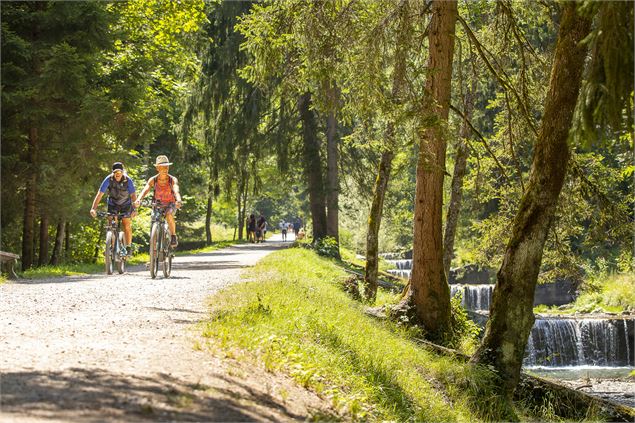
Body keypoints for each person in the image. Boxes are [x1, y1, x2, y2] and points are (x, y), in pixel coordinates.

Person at [90, 162, 137, 257]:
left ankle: (128, 247)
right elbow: (100, 194)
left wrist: (135, 209)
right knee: (110, 222)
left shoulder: (128, 180)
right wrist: (93, 209)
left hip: (126, 204)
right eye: (116, 172)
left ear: (123, 172)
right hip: (113, 203)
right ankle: (110, 246)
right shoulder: (108, 179)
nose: (117, 174)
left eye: (119, 172)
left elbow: (133, 195)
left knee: (126, 223)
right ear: (113, 173)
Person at [134, 155, 182, 247]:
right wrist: (138, 200)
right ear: (157, 168)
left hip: (170, 204)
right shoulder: (153, 180)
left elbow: (176, 190)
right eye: (163, 167)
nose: (165, 169)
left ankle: (173, 235)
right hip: (157, 205)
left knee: (168, 214)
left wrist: (178, 200)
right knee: (154, 220)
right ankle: (154, 249)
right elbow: (144, 191)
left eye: (167, 167)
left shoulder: (172, 179)